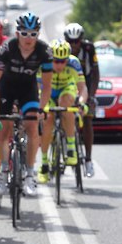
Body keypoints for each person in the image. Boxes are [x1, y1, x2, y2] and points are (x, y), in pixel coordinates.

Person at [0, 11, 53, 197]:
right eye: (24, 33)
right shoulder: (7, 48)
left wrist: (42, 109)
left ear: (38, 35)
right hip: (6, 89)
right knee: (4, 129)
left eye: (33, 34)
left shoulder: (44, 51)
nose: (29, 38)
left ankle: (29, 173)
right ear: (17, 33)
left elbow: (47, 84)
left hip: (28, 90)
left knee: (33, 126)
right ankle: (3, 172)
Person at [37, 40, 89, 184]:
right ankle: (44, 163)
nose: (59, 65)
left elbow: (82, 88)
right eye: (56, 61)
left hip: (66, 89)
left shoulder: (74, 63)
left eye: (63, 61)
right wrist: (38, 107)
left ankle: (71, 147)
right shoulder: (43, 64)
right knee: (48, 119)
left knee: (66, 104)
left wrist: (82, 103)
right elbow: (35, 87)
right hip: (48, 91)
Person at [63, 22, 100, 178]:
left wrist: (91, 96)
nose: (74, 45)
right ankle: (61, 147)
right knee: (60, 116)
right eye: (70, 42)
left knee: (87, 120)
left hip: (85, 84)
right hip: (66, 86)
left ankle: (88, 159)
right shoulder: (61, 50)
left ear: (81, 40)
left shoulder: (89, 49)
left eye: (76, 41)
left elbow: (95, 73)